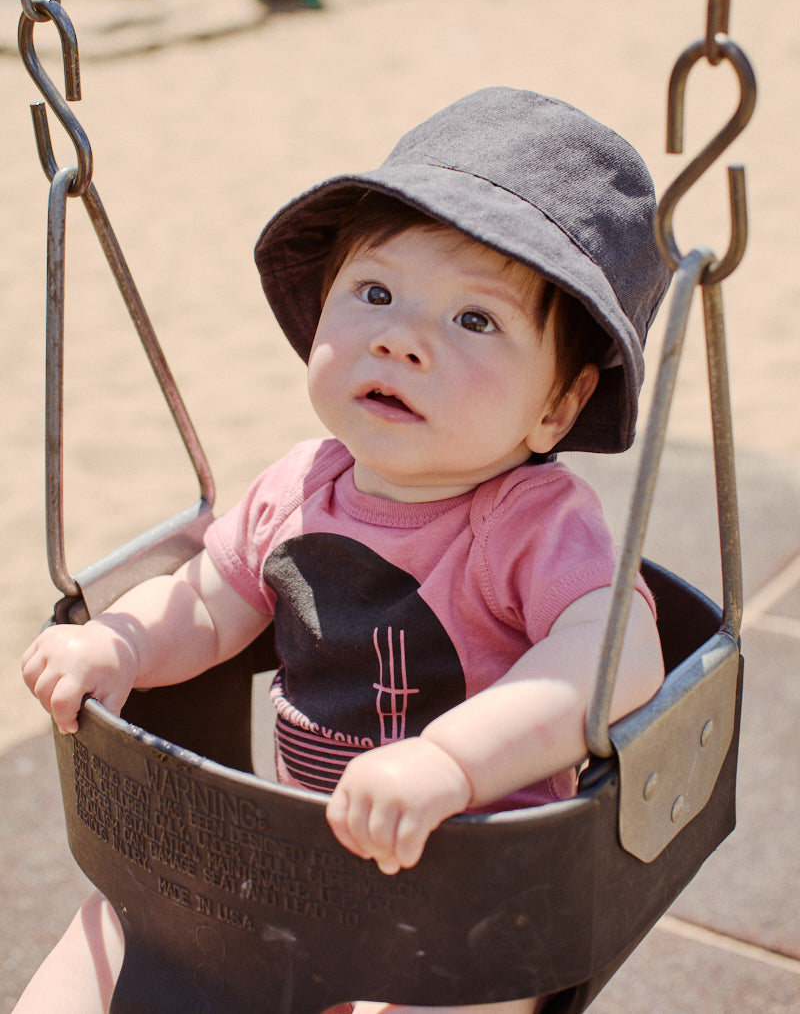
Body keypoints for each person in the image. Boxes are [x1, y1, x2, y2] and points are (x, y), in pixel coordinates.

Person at [17, 88, 670, 1014]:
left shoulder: (532, 519)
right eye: (376, 293)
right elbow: (209, 601)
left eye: (474, 320)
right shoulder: (299, 483)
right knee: (121, 927)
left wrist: (450, 763)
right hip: (298, 869)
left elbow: (615, 649)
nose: (401, 338)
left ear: (556, 407)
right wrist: (120, 641)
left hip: (473, 905)